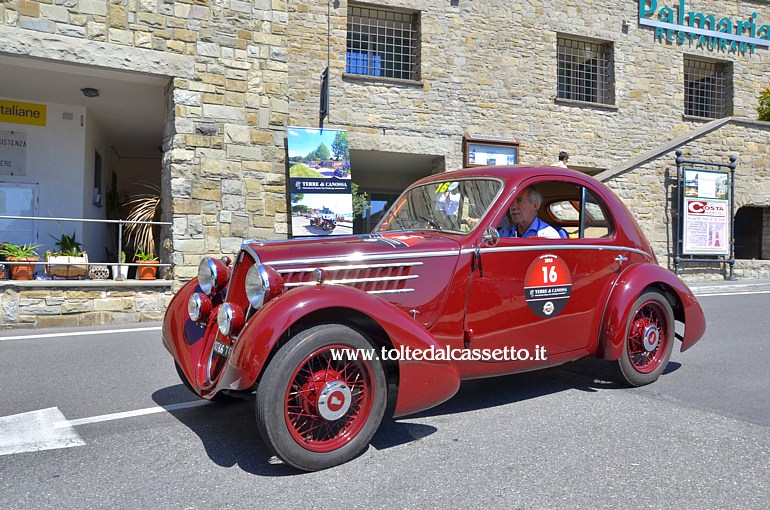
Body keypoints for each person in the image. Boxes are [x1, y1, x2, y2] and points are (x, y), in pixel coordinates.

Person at [500, 186, 567, 238]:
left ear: (535, 205)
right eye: (511, 201)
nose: (513, 206)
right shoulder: (505, 232)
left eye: (519, 200)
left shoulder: (547, 235)